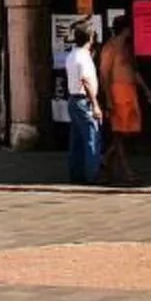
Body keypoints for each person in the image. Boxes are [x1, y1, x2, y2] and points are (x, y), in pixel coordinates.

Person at [99, 15, 151, 185]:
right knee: (119, 133)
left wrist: (146, 90)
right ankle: (126, 171)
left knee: (130, 131)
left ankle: (107, 159)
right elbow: (104, 74)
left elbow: (134, 71)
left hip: (130, 92)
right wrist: (108, 99)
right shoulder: (110, 48)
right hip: (117, 92)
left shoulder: (128, 48)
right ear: (125, 29)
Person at [61, 24, 102, 185]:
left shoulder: (72, 55)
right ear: (90, 38)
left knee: (77, 140)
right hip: (84, 100)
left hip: (73, 100)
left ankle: (76, 174)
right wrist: (95, 104)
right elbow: (85, 80)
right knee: (92, 137)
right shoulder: (83, 57)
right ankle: (92, 175)